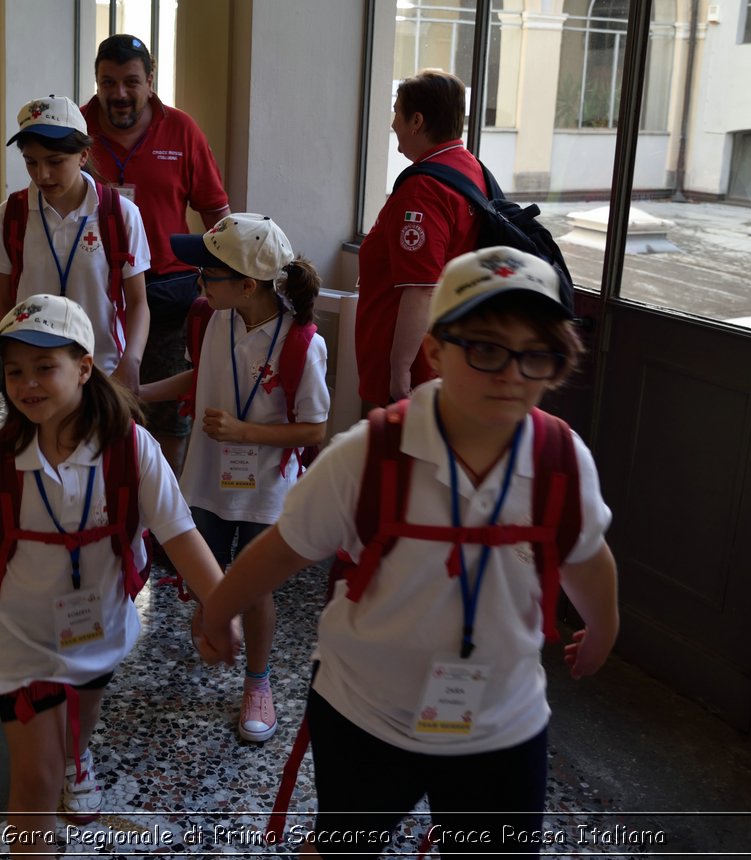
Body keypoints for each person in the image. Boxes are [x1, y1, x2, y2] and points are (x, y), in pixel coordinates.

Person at [201, 247, 618, 858]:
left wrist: (603, 625)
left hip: (501, 722)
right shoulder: (370, 454)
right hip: (367, 714)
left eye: (536, 355)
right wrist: (218, 610)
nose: (512, 374)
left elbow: (585, 553)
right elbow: (282, 550)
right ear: (436, 351)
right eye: (485, 348)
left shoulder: (560, 458)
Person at [0, 295, 235, 851]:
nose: (26, 383)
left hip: (99, 627)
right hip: (24, 637)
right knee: (34, 783)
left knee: (79, 715)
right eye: (14, 371)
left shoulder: (132, 450)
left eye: (44, 367)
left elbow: (179, 534)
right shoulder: (3, 452)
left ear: (84, 368)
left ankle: (77, 754)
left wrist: (219, 607)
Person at [143, 214, 329, 745]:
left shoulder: (300, 343)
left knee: (254, 591)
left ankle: (258, 682)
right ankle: (218, 635)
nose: (198, 281)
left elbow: (314, 428)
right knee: (206, 577)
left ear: (248, 284)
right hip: (205, 480)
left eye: (208, 272)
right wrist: (138, 392)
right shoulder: (209, 317)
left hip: (266, 490)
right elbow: (201, 377)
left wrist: (244, 430)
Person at [81, 34, 230, 469]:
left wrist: (225, 282)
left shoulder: (182, 130)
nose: (120, 94)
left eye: (131, 82)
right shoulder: (78, 131)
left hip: (168, 291)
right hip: (97, 292)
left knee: (166, 416)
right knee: (96, 408)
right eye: (108, 83)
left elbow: (216, 213)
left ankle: (161, 520)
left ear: (150, 80)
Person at [0, 94, 151, 391]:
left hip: (103, 370)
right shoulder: (11, 215)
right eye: (31, 162)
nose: (43, 174)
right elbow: (2, 299)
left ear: (83, 156)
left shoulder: (120, 215)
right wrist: (9, 361)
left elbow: (138, 301)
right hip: (33, 374)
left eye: (55, 161)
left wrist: (132, 361)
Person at [356, 69, 488, 409]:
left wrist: (399, 373)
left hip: (412, 375)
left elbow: (421, 288)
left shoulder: (423, 190)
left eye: (397, 113)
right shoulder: (469, 167)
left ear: (416, 121)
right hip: (443, 358)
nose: (392, 123)